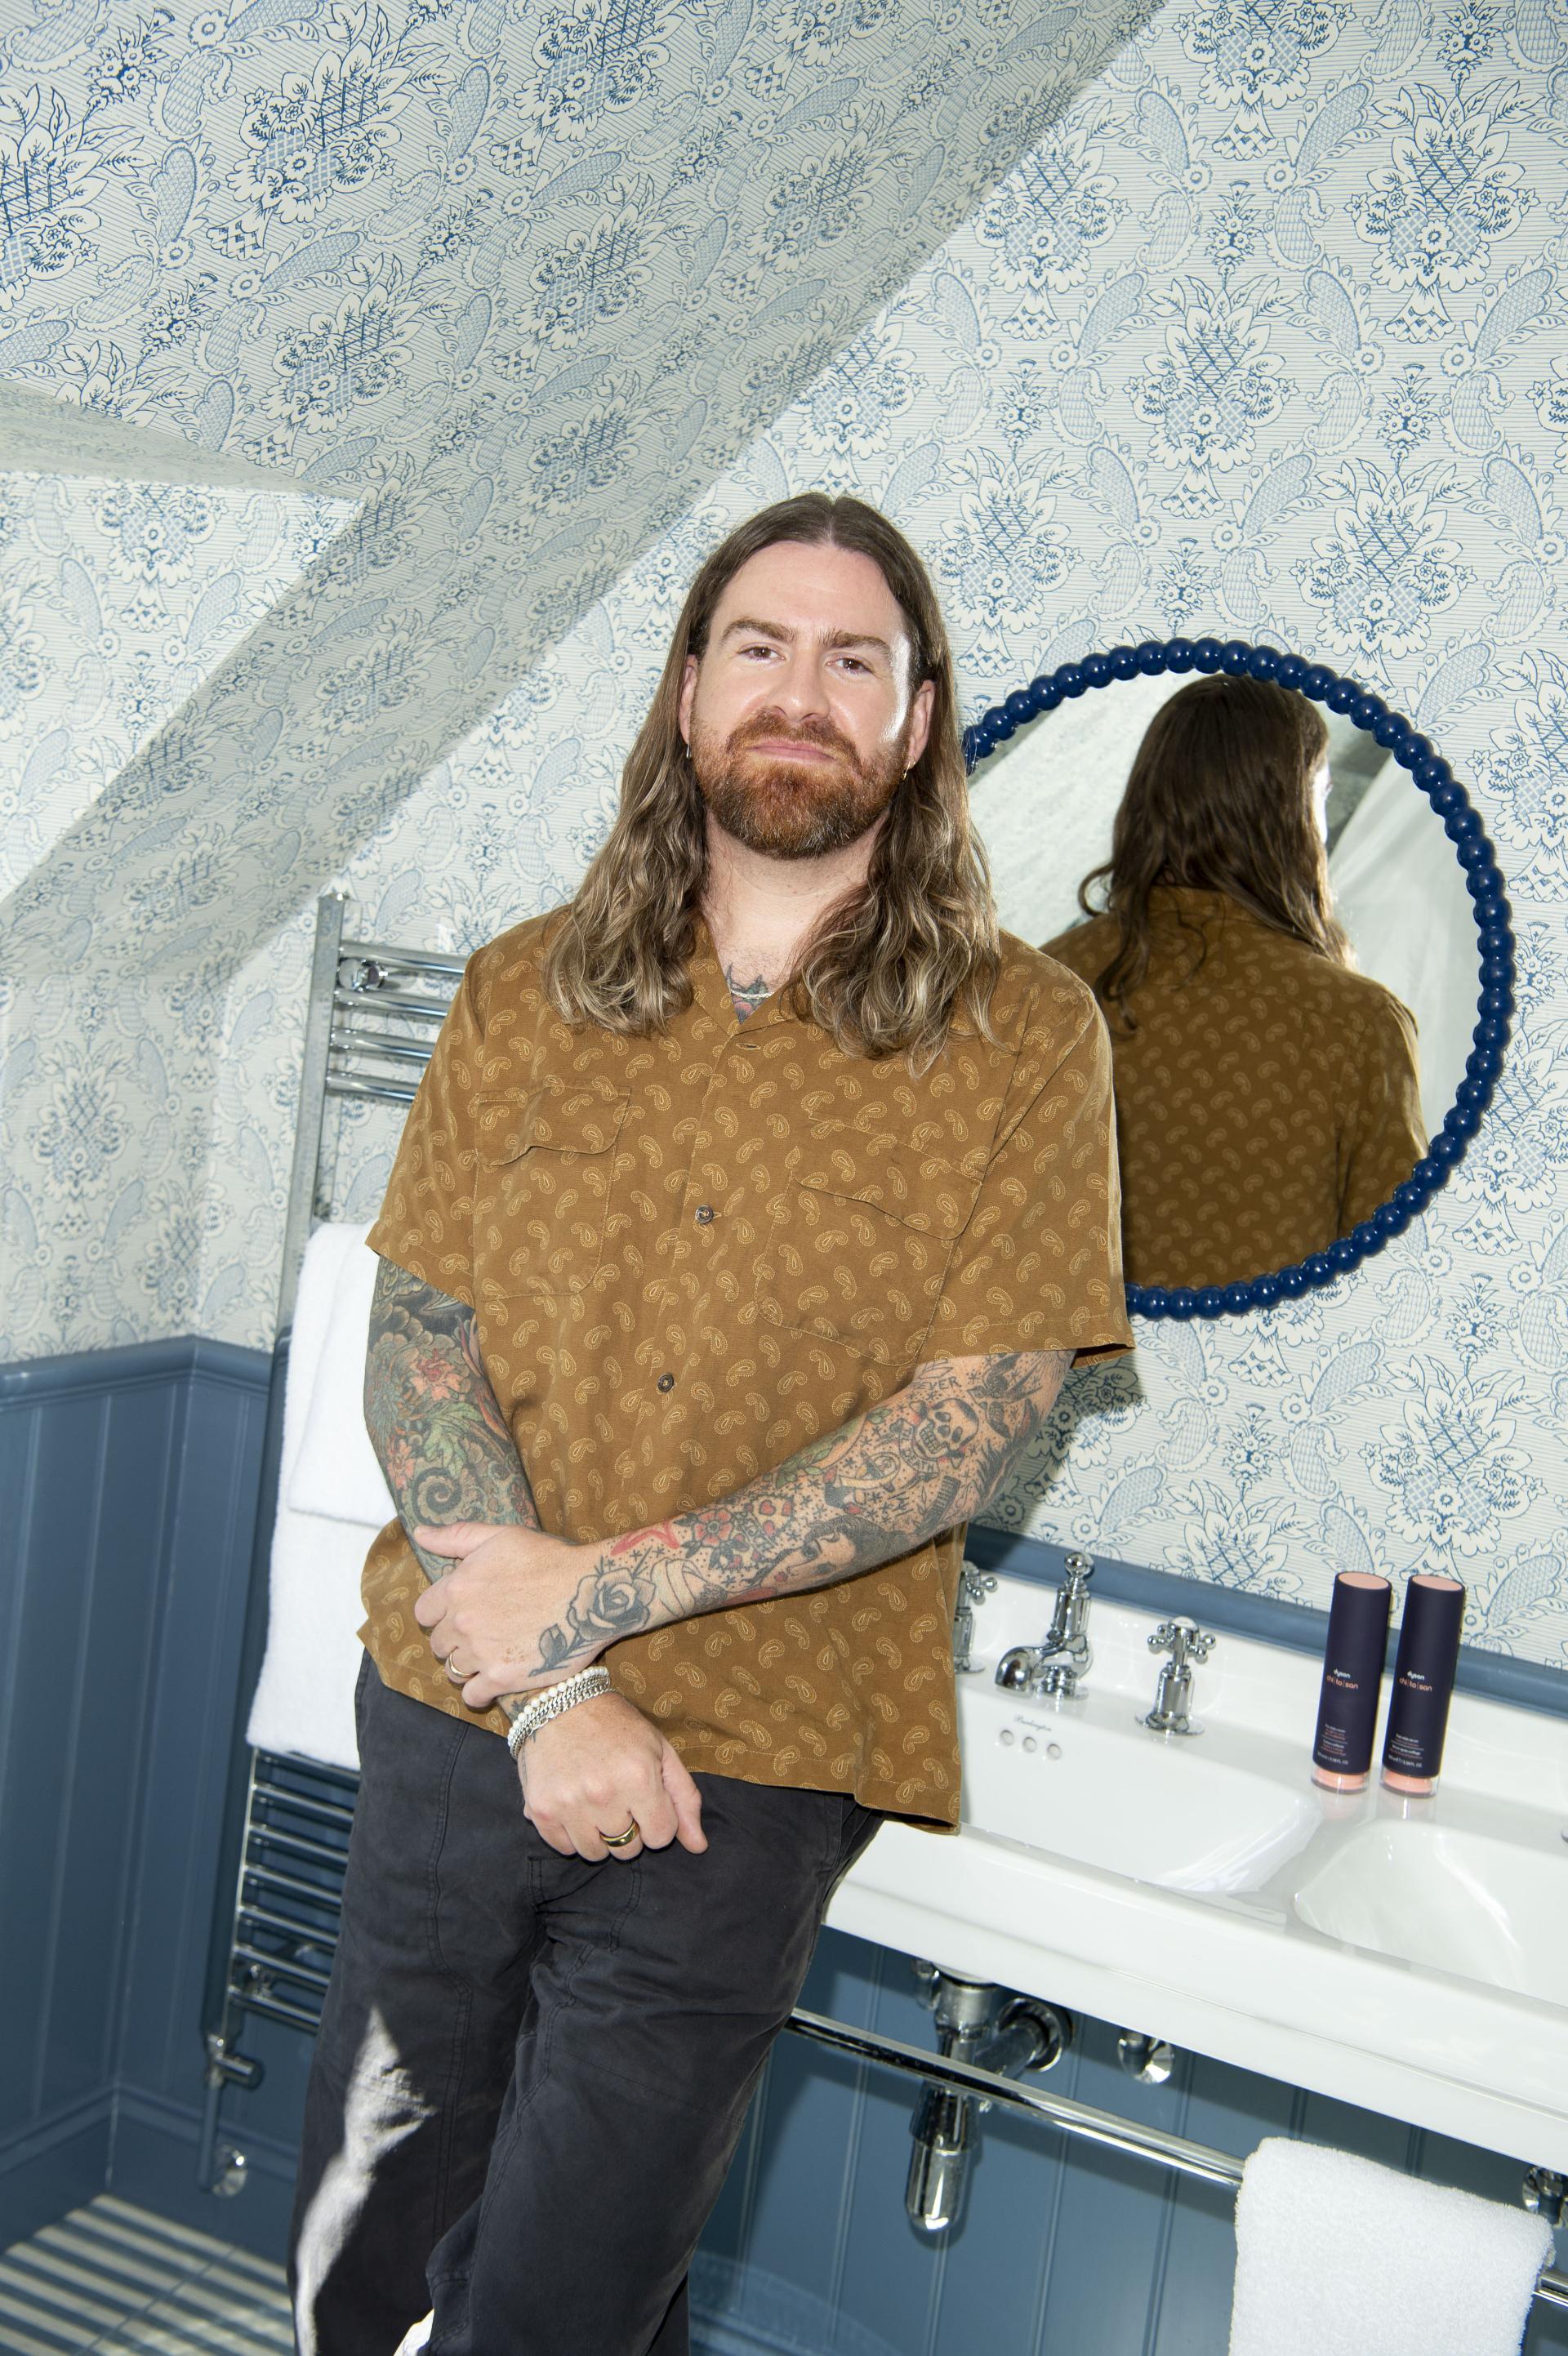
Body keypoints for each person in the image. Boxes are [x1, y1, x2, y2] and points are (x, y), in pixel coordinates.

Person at [289, 493, 1130, 2356]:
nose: (798, 693)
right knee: (361, 2259)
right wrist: (547, 1688)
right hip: (453, 1712)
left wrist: (592, 1603)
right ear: (687, 692)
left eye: (853, 659)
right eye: (758, 647)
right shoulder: (524, 989)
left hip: (746, 1767)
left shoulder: (1026, 1039)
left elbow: (973, 1423)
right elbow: (421, 1332)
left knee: (565, 2297)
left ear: (916, 719)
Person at [1045, 674, 1426, 1293]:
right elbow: (1396, 1282)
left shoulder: (1035, 993)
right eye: (1322, 795)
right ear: (1294, 815)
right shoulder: (1361, 1025)